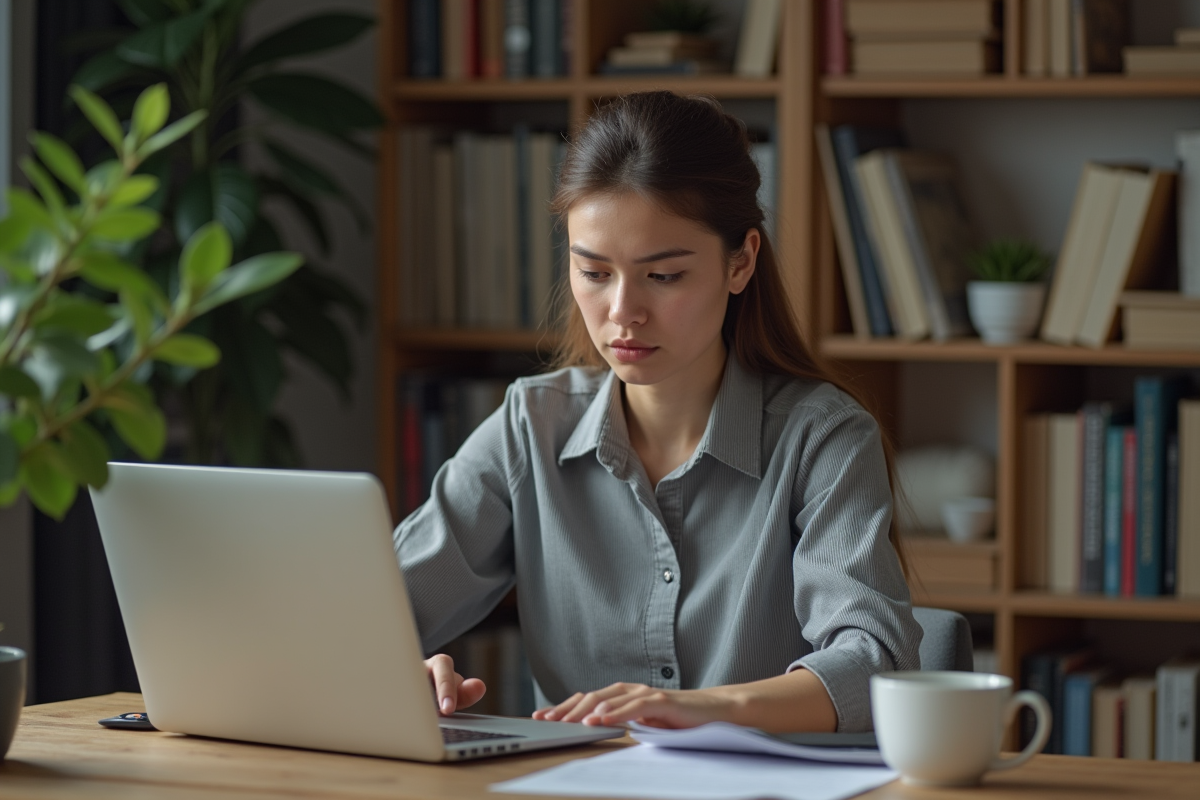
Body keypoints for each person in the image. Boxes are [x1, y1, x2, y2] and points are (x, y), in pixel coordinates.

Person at [393, 90, 921, 734]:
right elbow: (367, 612)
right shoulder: (530, 425)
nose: (623, 313)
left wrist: (706, 709)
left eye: (663, 276)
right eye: (594, 273)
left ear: (741, 262)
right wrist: (399, 666)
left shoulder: (821, 437)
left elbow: (875, 664)